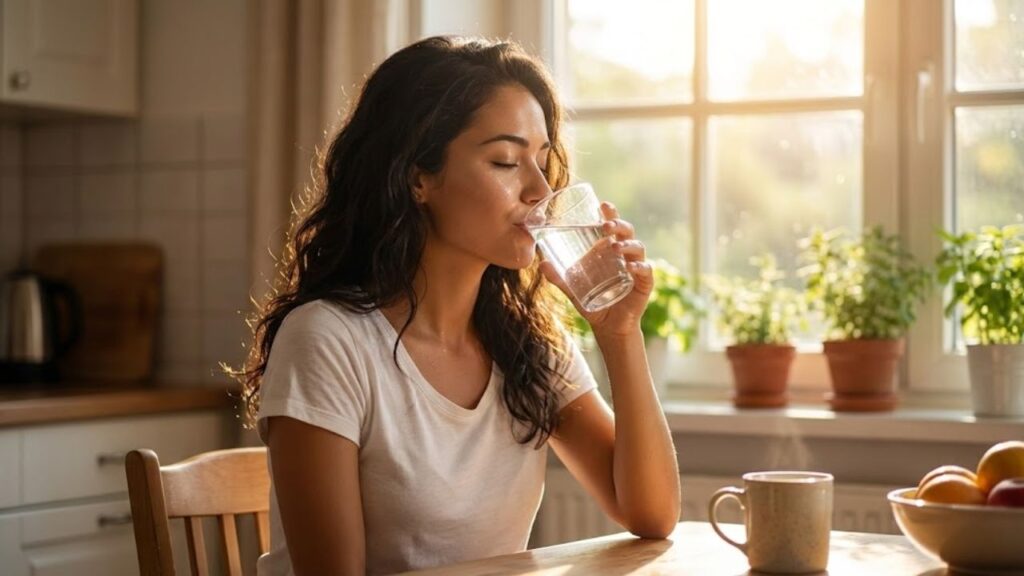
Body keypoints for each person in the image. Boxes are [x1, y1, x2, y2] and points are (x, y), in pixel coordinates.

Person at [236, 35, 681, 576]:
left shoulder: (527, 344)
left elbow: (651, 514)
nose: (540, 189)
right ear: (418, 177)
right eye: (505, 161)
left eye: (543, 160)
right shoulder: (328, 340)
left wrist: (620, 332)